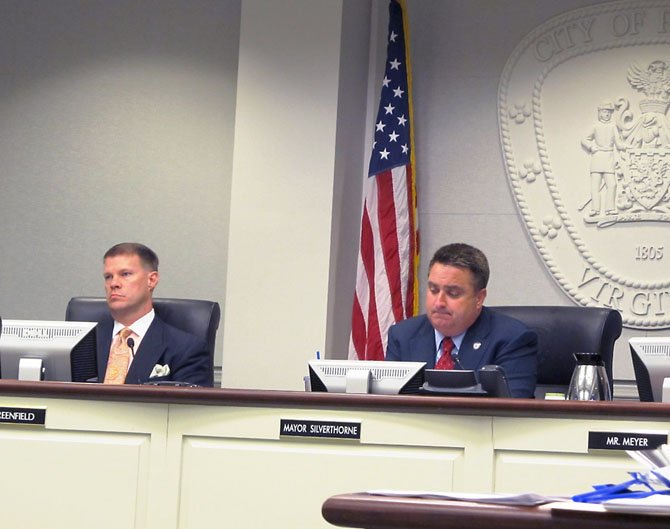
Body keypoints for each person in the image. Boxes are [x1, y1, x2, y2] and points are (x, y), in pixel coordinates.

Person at [385, 243, 538, 398]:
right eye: (433, 290)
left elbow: (514, 411)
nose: (439, 302)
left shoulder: (512, 339)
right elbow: (387, 403)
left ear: (479, 298)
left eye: (452, 293)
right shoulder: (402, 335)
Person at [96, 242, 213, 386]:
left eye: (125, 274)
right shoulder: (85, 342)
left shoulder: (186, 349)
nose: (114, 283)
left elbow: (189, 407)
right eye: (108, 277)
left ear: (151, 280)